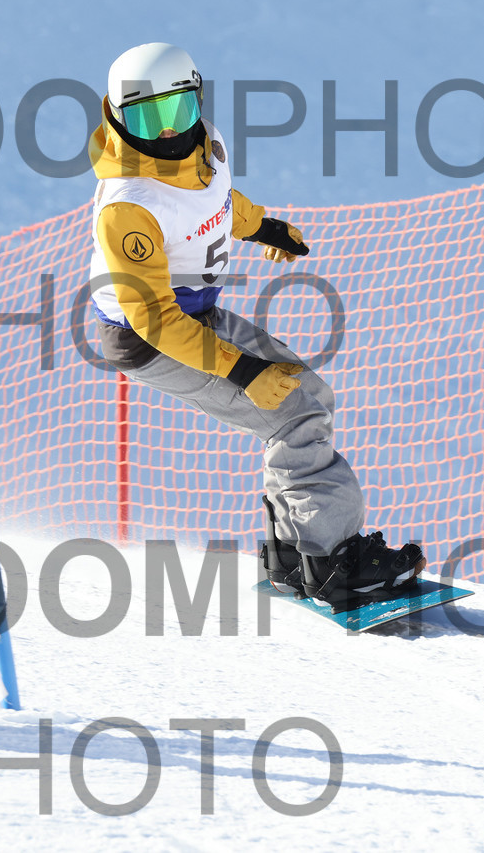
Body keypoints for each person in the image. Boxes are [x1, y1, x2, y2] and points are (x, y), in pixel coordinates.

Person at [87, 42, 424, 608]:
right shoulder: (129, 205)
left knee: (307, 391)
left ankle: (294, 555)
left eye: (176, 111)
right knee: (294, 412)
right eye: (147, 118)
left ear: (197, 99)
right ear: (119, 117)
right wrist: (243, 371)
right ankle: (332, 563)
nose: (166, 131)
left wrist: (263, 227)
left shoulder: (206, 144)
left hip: (195, 313)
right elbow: (152, 318)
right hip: (151, 338)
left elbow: (215, 200)